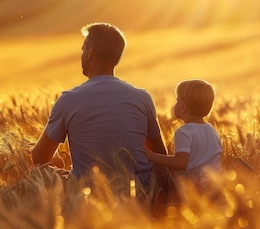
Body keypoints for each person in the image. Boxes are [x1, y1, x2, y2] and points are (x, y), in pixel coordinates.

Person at [31, 22, 167, 191]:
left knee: (37, 178)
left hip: (90, 196)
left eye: (83, 50)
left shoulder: (69, 100)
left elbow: (39, 158)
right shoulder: (141, 97)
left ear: (90, 53)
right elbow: (160, 156)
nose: (81, 55)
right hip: (141, 193)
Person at [145, 79, 222, 191]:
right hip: (216, 186)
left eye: (177, 100)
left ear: (183, 107)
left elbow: (180, 162)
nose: (175, 104)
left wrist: (152, 156)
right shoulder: (212, 130)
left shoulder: (184, 132)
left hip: (198, 189)